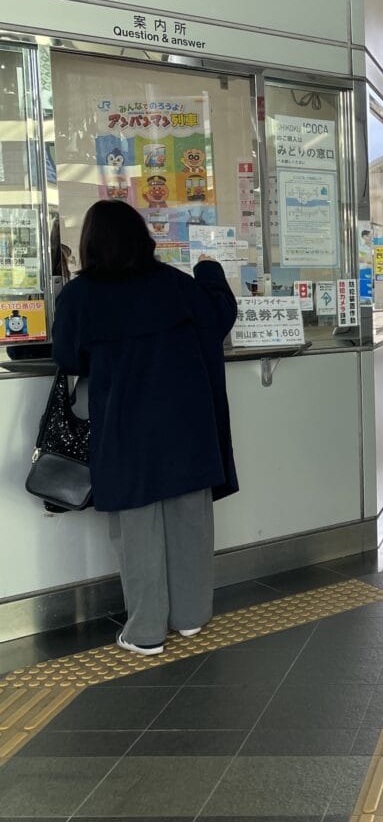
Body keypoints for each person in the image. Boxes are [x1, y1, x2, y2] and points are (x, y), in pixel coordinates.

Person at [52, 200, 239, 656]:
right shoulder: (175, 284)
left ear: (91, 244)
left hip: (125, 430)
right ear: (142, 239)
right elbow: (219, 318)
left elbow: (69, 358)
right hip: (188, 427)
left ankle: (146, 631)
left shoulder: (79, 295)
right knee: (190, 520)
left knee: (137, 530)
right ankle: (191, 617)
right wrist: (209, 270)